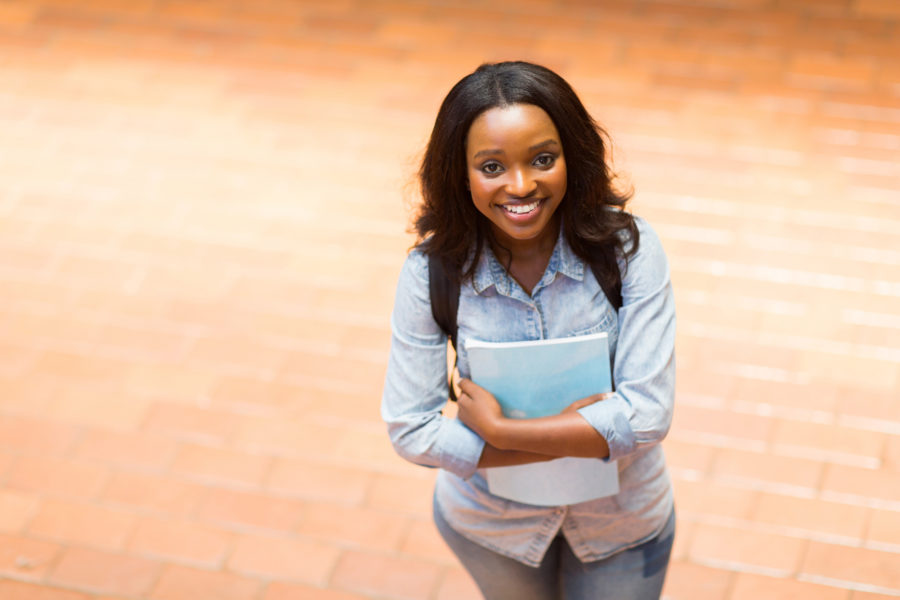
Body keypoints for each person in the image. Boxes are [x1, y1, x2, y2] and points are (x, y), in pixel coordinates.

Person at [382, 61, 676, 600]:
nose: (521, 185)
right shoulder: (432, 272)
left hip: (622, 526)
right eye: (491, 166)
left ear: (573, 156)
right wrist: (583, 433)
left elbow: (649, 414)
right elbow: (410, 428)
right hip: (493, 528)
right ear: (459, 172)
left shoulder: (629, 251)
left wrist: (501, 432)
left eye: (543, 159)